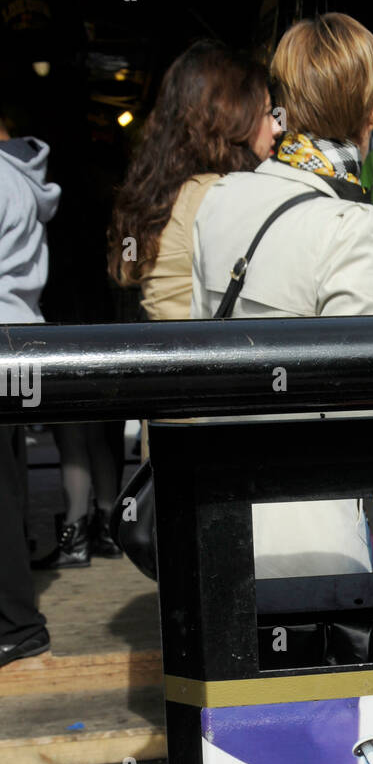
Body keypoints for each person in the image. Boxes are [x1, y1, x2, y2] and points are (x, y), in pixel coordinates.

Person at [191, 13, 373, 578]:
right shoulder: (357, 227)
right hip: (315, 539)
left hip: (213, 519)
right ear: (371, 111)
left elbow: (196, 367)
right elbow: (367, 415)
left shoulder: (219, 200)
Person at [108, 39, 281, 464]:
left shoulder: (169, 194)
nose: (278, 127)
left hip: (171, 430)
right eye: (264, 114)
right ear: (227, 121)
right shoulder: (218, 197)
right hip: (217, 440)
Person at [0, 112, 59, 667]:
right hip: (17, 341)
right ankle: (17, 618)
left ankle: (17, 622)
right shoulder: (20, 179)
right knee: (8, 486)